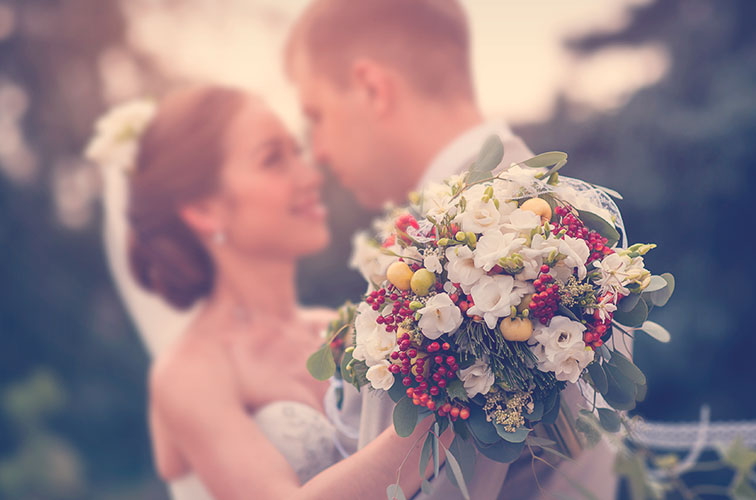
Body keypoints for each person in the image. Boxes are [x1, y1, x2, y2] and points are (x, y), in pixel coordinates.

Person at [286, 1, 620, 498]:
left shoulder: (455, 249)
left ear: (372, 88)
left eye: (316, 115)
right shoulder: (557, 217)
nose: (320, 152)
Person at [98, 85, 448, 500]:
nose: (310, 177)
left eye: (296, 152)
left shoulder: (344, 330)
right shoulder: (189, 373)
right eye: (272, 159)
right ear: (204, 210)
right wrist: (448, 414)